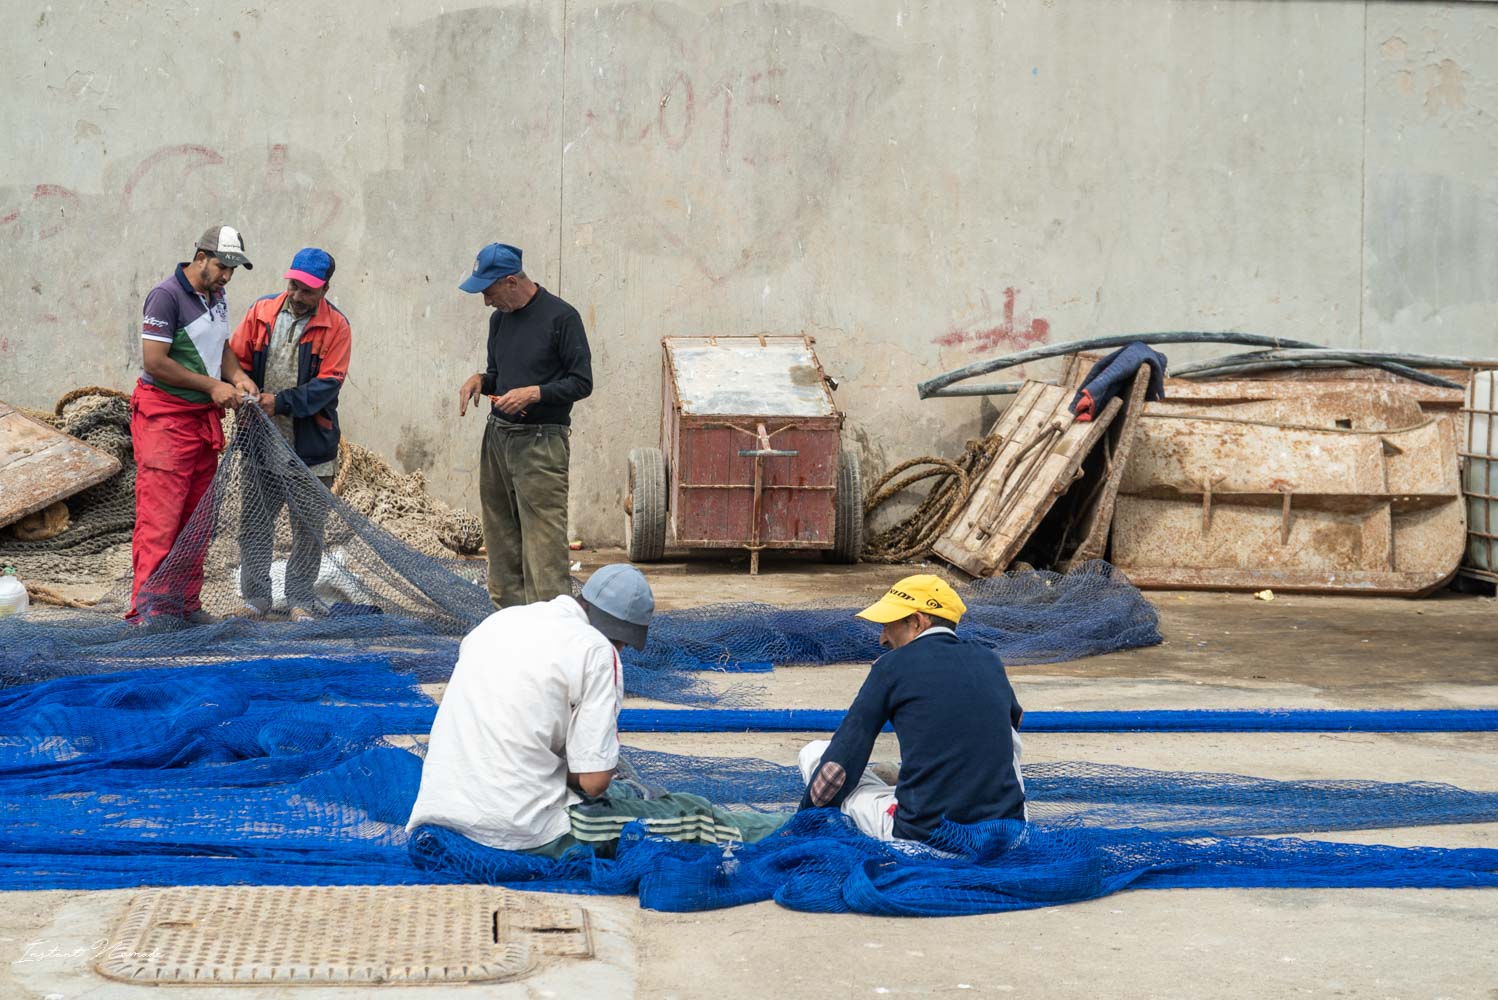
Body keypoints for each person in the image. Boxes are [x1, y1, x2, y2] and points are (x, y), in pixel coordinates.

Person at [407, 564, 781, 857]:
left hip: (443, 815)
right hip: (520, 830)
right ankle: (792, 828)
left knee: (622, 795)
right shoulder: (597, 651)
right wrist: (596, 773)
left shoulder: (500, 622)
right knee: (691, 815)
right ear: (620, 636)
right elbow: (594, 782)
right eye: (623, 645)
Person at [797, 574, 1027, 842]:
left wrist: (801, 821)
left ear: (917, 622)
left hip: (928, 838)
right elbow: (1015, 719)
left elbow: (839, 766)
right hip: (1007, 834)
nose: (882, 639)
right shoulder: (990, 660)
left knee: (814, 753)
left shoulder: (891, 666)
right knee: (1006, 734)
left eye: (888, 625)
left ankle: (900, 793)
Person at [129, 225, 259, 621]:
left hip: (200, 425)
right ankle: (150, 611)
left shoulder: (217, 297)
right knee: (161, 521)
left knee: (197, 521)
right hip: (165, 421)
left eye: (233, 270)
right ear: (200, 257)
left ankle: (185, 604)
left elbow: (221, 348)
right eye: (222, 267)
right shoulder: (166, 296)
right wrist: (212, 386)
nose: (227, 276)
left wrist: (237, 377)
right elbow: (155, 361)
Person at [455, 242, 592, 609]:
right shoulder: (499, 321)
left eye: (489, 292)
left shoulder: (562, 318)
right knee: (499, 537)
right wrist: (481, 380)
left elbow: (582, 382)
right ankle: (507, 619)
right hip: (498, 438)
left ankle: (550, 625)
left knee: (543, 543)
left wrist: (534, 393)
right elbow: (500, 375)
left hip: (541, 443)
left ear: (511, 281)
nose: (486, 302)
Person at [227, 248, 351, 619]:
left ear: (325, 289)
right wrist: (242, 382)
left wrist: (278, 402)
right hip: (261, 443)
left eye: (307, 290)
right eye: (293, 285)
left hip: (311, 448)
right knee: (254, 524)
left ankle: (299, 599)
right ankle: (256, 599)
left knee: (308, 530)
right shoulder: (261, 312)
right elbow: (234, 359)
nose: (297, 295)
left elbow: (327, 386)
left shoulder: (337, 327)